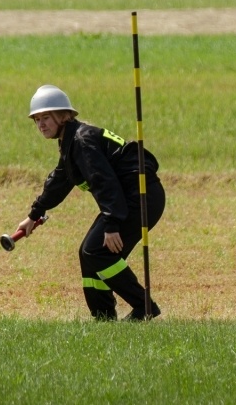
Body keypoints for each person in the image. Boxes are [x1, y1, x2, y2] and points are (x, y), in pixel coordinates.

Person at [16, 85, 166, 321]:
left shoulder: (82, 140)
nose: (41, 124)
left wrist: (112, 223)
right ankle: (103, 317)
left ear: (64, 116)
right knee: (89, 253)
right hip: (127, 199)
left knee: (96, 251)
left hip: (141, 197)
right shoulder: (71, 141)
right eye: (36, 119)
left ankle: (144, 306)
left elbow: (103, 181)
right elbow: (59, 181)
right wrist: (34, 215)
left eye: (46, 117)